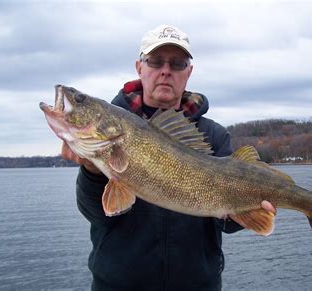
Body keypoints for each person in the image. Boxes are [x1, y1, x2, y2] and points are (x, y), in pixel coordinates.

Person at [62, 24, 276, 290]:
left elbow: (227, 226)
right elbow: (97, 214)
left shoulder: (214, 136)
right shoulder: (113, 130)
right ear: (140, 67)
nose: (165, 70)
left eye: (177, 63)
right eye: (155, 61)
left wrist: (250, 210)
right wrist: (92, 172)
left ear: (188, 72)